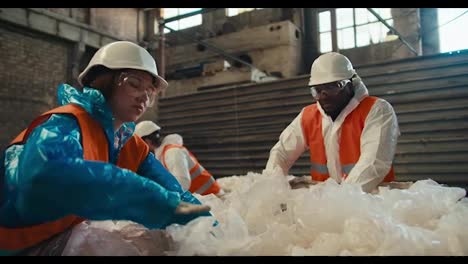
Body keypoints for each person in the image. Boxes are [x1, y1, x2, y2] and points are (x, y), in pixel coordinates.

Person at [0, 41, 212, 256]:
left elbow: (173, 192)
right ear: (103, 81)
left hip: (53, 236)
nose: (144, 97)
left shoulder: (128, 143)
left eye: (150, 91)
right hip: (15, 244)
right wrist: (152, 200)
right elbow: (43, 175)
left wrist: (210, 226)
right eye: (134, 84)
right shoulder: (65, 123)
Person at [265, 52, 400, 193]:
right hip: (327, 206)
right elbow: (281, 153)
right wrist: (272, 189)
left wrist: (342, 199)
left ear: (351, 84)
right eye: (317, 90)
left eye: (333, 87)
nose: (324, 95)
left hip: (372, 204)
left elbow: (374, 163)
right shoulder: (308, 116)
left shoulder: (377, 110)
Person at [135, 122, 223, 197]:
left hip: (213, 200)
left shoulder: (172, 152)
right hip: (202, 199)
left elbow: (182, 183)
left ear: (147, 141)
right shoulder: (162, 155)